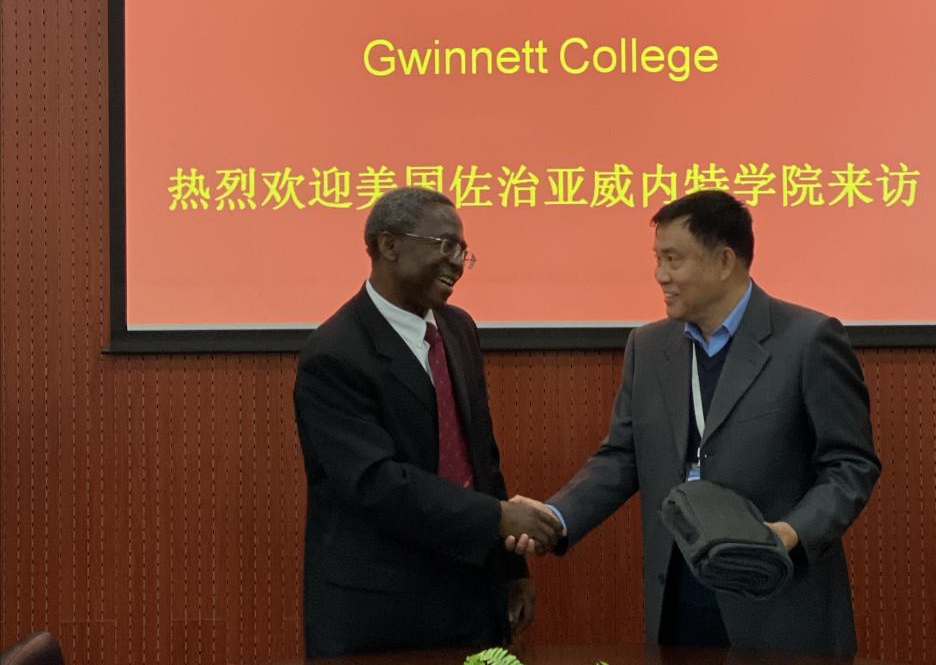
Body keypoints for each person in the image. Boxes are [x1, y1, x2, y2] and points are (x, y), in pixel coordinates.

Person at [509, 190, 881, 657]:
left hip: (775, 595)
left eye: (673, 259)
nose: (660, 275)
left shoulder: (808, 340)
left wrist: (789, 533)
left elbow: (850, 465)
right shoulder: (648, 347)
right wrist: (556, 516)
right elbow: (622, 456)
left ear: (724, 260)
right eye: (657, 259)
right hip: (679, 595)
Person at [294, 186, 559, 657]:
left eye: (462, 251)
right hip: (380, 613)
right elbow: (376, 483)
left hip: (470, 598)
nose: (457, 262)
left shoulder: (458, 329)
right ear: (389, 245)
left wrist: (511, 570)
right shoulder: (334, 353)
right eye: (445, 245)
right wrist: (496, 518)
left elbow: (481, 459)